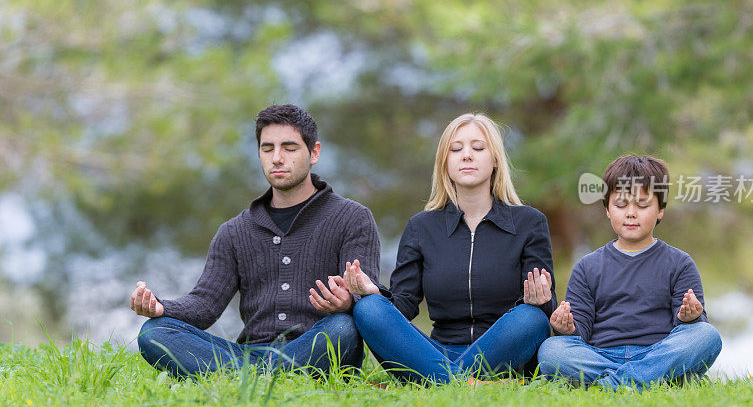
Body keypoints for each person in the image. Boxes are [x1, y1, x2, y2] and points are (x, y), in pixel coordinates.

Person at [129, 104, 383, 378]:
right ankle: (266, 376)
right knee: (154, 333)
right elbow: (204, 305)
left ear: (314, 153)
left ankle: (241, 378)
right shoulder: (234, 232)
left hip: (317, 345)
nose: (276, 158)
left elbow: (367, 300)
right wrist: (162, 307)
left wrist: (348, 302)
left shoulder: (353, 218)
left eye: (289, 148)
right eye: (267, 148)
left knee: (343, 329)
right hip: (249, 352)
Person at [344, 113, 555, 384]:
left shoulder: (530, 222)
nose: (466, 155)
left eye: (478, 148)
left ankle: (439, 381)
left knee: (531, 318)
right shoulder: (421, 227)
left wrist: (541, 302)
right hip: (434, 352)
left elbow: (547, 305)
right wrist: (374, 293)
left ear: (495, 160)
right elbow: (404, 306)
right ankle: (464, 382)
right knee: (369, 309)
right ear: (445, 162)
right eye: (456, 149)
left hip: (501, 351)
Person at [537, 155, 722, 390]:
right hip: (601, 356)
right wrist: (566, 327)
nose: (631, 213)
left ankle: (614, 384)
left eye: (643, 205)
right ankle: (649, 379)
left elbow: (691, 328)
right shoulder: (587, 266)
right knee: (552, 351)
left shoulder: (680, 263)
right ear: (607, 209)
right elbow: (579, 332)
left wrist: (690, 317)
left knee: (706, 336)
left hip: (657, 352)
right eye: (621, 205)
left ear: (660, 210)